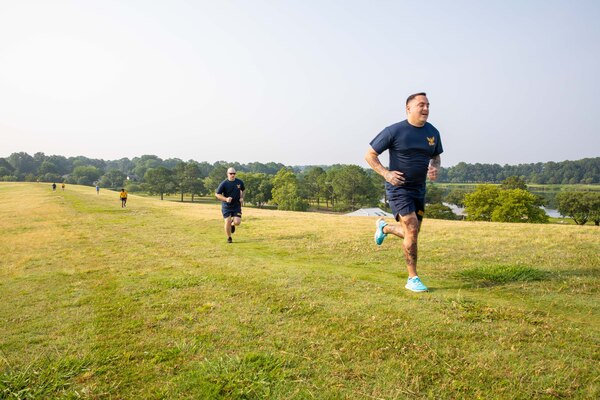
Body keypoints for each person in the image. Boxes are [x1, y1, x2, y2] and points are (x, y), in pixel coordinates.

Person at [365, 92, 443, 292]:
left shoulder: (433, 133)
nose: (425, 108)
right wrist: (386, 174)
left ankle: (384, 228)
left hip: (419, 189)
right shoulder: (394, 131)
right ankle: (412, 278)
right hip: (399, 188)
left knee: (412, 232)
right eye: (421, 105)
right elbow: (370, 155)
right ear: (408, 108)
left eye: (427, 105)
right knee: (412, 228)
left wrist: (435, 168)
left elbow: (436, 157)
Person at [215, 167, 245, 243]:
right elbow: (217, 194)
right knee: (227, 221)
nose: (232, 175)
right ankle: (229, 238)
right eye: (231, 173)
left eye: (234, 173)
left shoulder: (239, 182)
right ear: (227, 174)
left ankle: (233, 224)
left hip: (236, 206)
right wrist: (226, 199)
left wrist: (242, 197)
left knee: (237, 222)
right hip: (226, 206)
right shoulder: (224, 183)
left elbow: (243, 190)